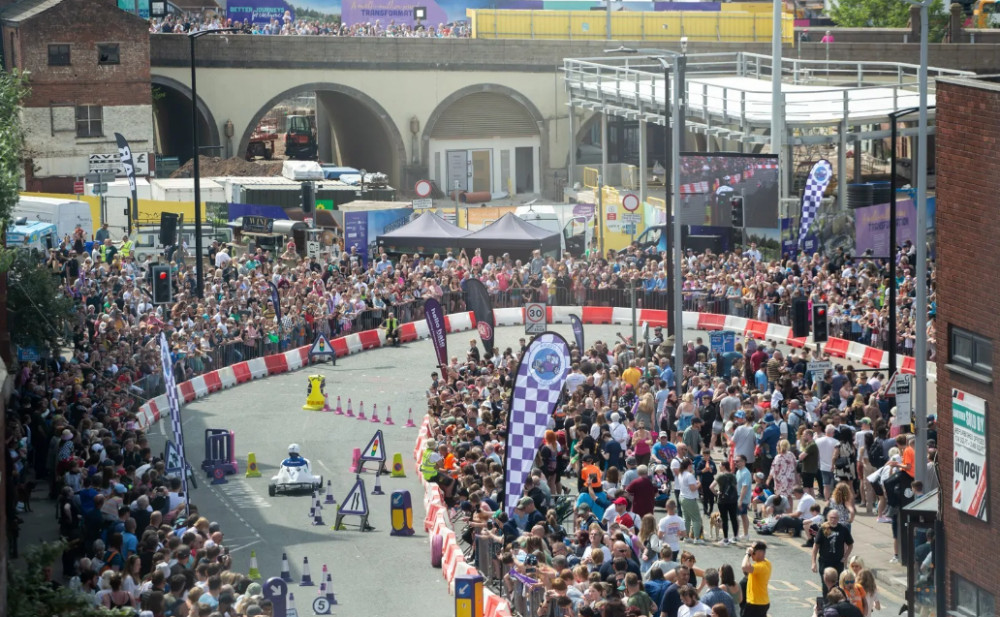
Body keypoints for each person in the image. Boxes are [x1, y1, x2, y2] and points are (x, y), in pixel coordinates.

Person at [812, 510, 855, 594]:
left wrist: (845, 557)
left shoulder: (843, 529)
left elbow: (850, 545)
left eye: (835, 518)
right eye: (831, 518)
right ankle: (826, 604)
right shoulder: (823, 529)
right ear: (828, 518)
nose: (833, 520)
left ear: (838, 519)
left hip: (838, 562)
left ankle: (835, 603)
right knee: (825, 585)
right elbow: (816, 546)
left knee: (837, 585)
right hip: (825, 562)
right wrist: (813, 562)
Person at [741, 540, 771, 617]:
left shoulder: (761, 566)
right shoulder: (767, 563)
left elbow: (744, 567)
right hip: (762, 602)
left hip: (755, 604)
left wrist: (747, 554)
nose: (752, 554)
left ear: (760, 552)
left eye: (753, 552)